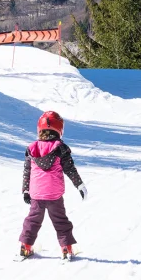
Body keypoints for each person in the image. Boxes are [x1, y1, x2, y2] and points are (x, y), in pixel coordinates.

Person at [18, 110, 87, 260]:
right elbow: (70, 169)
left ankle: (25, 246)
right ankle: (66, 249)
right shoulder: (60, 148)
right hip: (54, 195)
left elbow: (27, 171)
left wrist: (25, 190)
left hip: (36, 194)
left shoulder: (31, 148)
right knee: (60, 220)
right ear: (59, 130)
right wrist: (79, 185)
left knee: (33, 220)